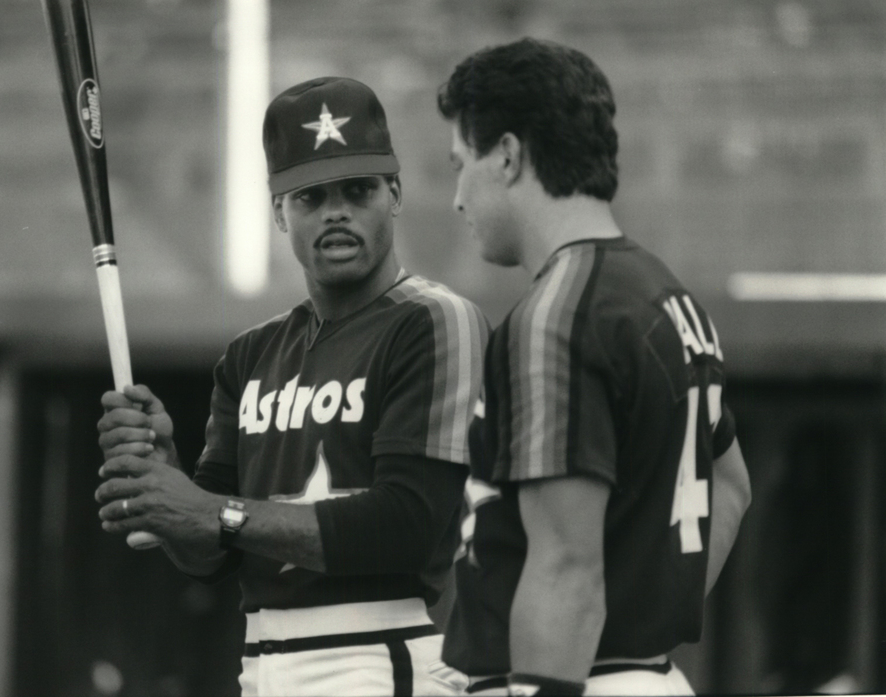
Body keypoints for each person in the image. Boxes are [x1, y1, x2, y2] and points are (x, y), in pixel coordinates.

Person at [95, 76, 487, 697]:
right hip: (262, 661)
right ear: (279, 210)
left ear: (395, 194)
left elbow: (407, 523)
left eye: (358, 190)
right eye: (310, 196)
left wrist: (208, 511)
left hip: (385, 654)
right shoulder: (250, 355)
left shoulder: (433, 319)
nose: (336, 211)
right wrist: (163, 484)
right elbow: (213, 556)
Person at [435, 39, 752, 696]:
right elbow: (732, 486)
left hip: (568, 678)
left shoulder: (559, 313)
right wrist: (642, 624)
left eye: (459, 163)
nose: (457, 197)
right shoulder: (664, 292)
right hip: (640, 674)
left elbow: (566, 567)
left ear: (508, 155)